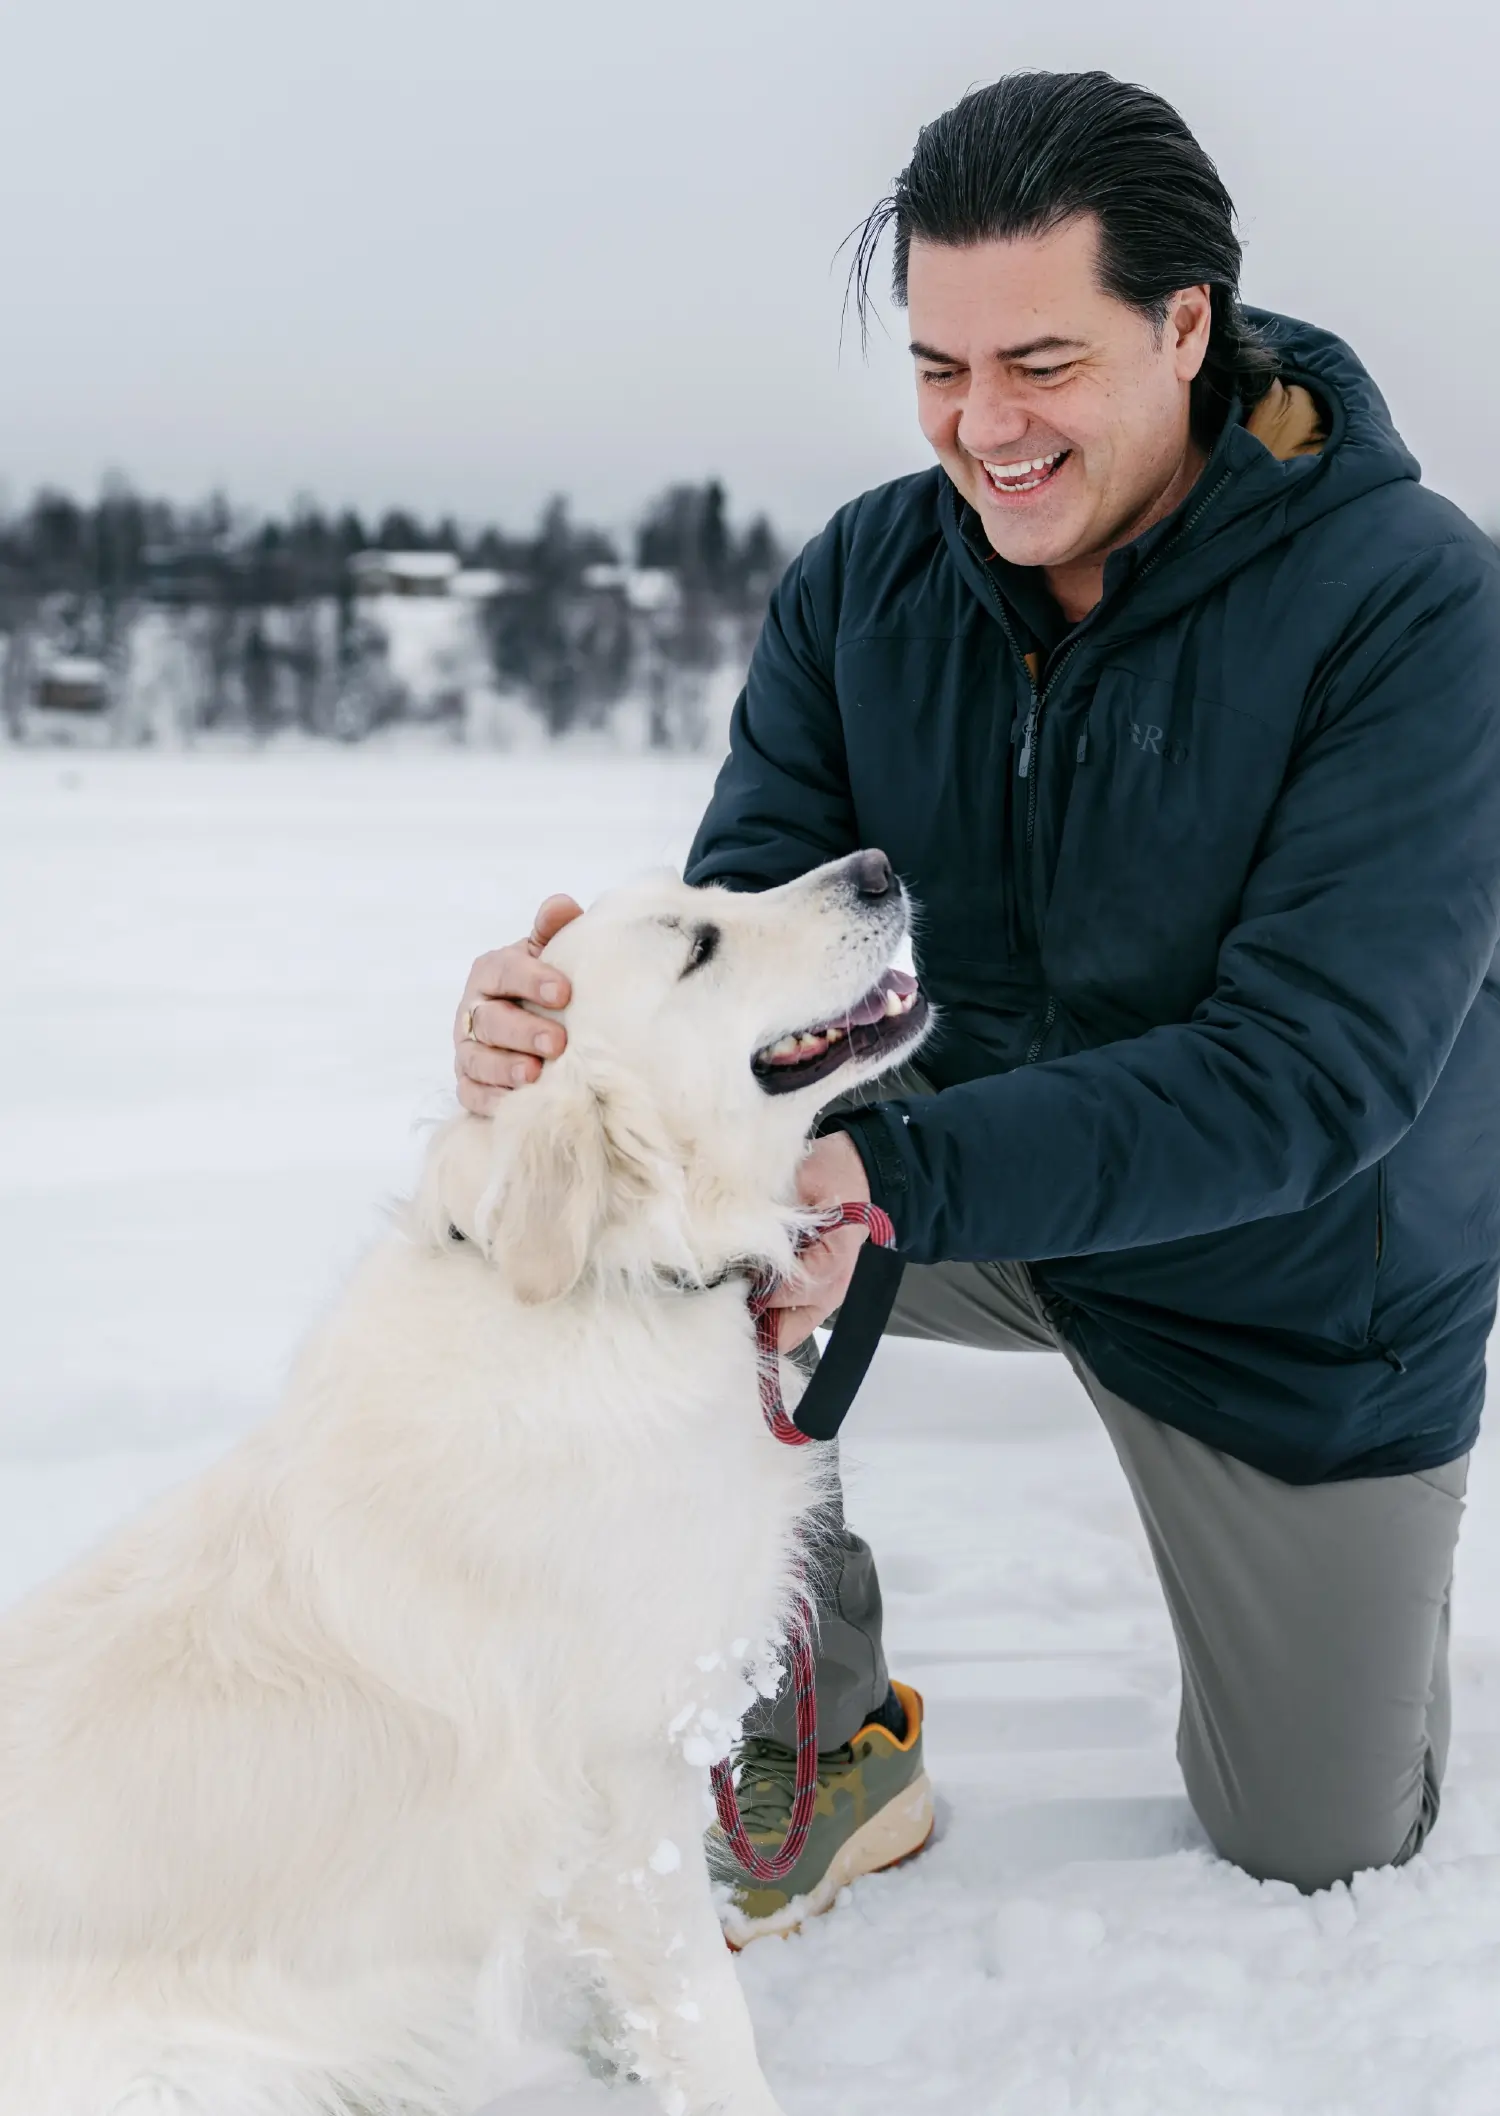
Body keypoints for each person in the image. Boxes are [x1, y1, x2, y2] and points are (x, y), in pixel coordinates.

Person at [454, 70, 1500, 1939]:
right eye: (941, 366)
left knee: (1319, 1845)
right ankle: (811, 1726)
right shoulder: (867, 580)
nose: (983, 428)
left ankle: (1362, 1655)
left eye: (1041, 363)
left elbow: (1309, 1077)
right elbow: (748, 991)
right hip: (949, 1198)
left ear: (1188, 326)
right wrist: (552, 1047)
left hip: (1294, 1279)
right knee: (642, 1230)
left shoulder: (1413, 606)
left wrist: (899, 1182)